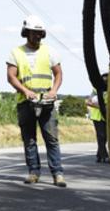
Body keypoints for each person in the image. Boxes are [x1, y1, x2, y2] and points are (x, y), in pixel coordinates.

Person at [6, 14, 66, 186]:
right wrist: (25, 91)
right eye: (34, 33)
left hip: (46, 102)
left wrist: (53, 91)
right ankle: (33, 172)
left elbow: (58, 74)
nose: (37, 36)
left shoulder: (50, 51)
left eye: (40, 33)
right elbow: (11, 76)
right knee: (29, 139)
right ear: (26, 33)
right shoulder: (16, 52)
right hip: (26, 103)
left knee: (51, 138)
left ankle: (57, 173)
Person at [86, 74, 109, 163]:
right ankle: (104, 156)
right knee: (101, 136)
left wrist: (101, 106)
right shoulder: (95, 90)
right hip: (97, 116)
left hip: (106, 117)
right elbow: (88, 102)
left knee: (105, 137)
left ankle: (99, 155)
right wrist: (100, 106)